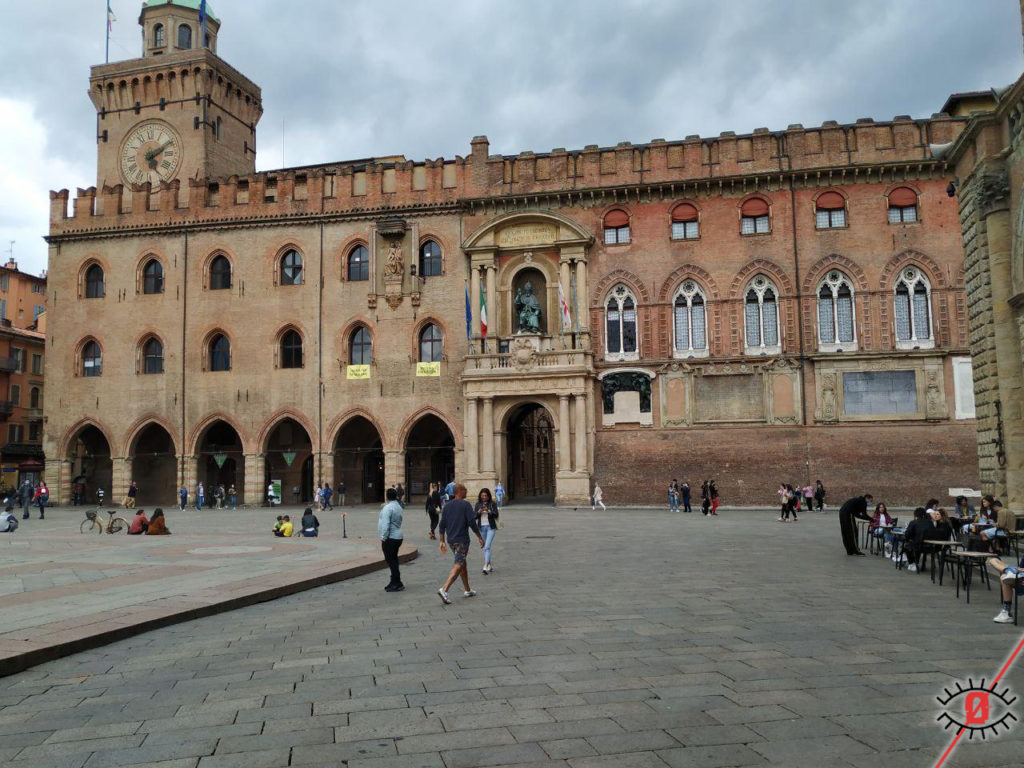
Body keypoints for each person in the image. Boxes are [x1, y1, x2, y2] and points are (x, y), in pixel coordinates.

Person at [437, 483, 484, 604]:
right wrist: (479, 537)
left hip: (451, 540)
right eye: (465, 490)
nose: (467, 491)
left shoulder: (447, 506)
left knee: (463, 564)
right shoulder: (465, 504)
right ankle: (445, 589)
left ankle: (467, 590)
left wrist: (442, 541)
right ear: (460, 491)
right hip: (462, 540)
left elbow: (442, 525)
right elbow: (472, 523)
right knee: (459, 564)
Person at [378, 488, 405, 592]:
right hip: (398, 536)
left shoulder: (388, 508)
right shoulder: (398, 506)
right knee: (393, 559)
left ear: (387, 496)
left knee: (391, 560)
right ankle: (394, 581)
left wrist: (383, 538)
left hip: (390, 538)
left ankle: (397, 583)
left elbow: (385, 524)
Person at [987, 555, 1024, 623]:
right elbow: (1021, 568)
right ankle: (1009, 571)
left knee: (1004, 577)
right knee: (993, 560)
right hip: (1020, 575)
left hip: (1020, 578)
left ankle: (1006, 612)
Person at [902, 507, 936, 573]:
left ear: (915, 515)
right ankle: (915, 562)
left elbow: (907, 534)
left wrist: (907, 538)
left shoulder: (913, 522)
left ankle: (912, 563)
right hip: (930, 547)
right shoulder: (930, 522)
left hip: (917, 546)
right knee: (914, 544)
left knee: (908, 545)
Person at [475, 488, 500, 575]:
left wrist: (488, 511)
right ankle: (489, 565)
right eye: (482, 496)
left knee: (487, 546)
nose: (484, 497)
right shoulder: (478, 504)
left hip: (491, 527)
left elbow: (496, 514)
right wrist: (479, 511)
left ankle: (485, 566)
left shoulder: (492, 504)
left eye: (485, 496)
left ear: (488, 496)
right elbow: (474, 516)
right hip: (481, 528)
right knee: (486, 547)